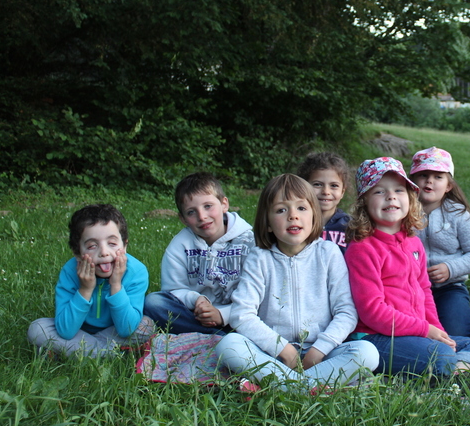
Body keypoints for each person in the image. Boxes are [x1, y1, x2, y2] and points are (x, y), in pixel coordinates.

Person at [215, 174, 378, 392]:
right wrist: (282, 348)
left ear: (314, 216)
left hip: (321, 353)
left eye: (301, 208)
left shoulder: (328, 253)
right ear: (269, 223)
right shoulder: (260, 257)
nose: (293, 216)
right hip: (271, 353)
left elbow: (346, 311)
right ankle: (308, 388)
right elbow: (242, 314)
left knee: (367, 353)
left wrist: (320, 349)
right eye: (281, 210)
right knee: (228, 347)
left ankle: (281, 386)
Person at [344, 157, 470, 377]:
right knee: (441, 356)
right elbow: (372, 312)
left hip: (415, 334)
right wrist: (425, 330)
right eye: (379, 191)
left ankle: (453, 376)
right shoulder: (363, 248)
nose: (391, 196)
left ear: (410, 198)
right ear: (364, 202)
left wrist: (438, 331)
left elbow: (425, 292)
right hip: (377, 338)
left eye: (399, 190)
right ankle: (454, 374)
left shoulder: (413, 243)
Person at [27, 204, 153, 357]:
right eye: (92, 246)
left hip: (114, 331)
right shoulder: (70, 272)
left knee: (146, 326)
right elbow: (66, 331)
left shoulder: (136, 272)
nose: (104, 252)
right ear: (78, 253)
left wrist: (116, 285)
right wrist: (85, 289)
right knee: (37, 329)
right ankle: (109, 353)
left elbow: (126, 329)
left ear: (124, 246)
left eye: (112, 244)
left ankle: (83, 351)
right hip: (79, 332)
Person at [143, 172, 255, 334]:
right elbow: (173, 290)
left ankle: (220, 338)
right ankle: (219, 338)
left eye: (208, 206)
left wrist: (222, 315)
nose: (202, 216)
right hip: (197, 316)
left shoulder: (249, 242)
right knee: (154, 302)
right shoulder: (179, 246)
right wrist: (196, 300)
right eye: (191, 212)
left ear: (224, 204)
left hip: (241, 314)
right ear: (182, 218)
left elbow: (258, 293)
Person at [409, 147, 470, 338]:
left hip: (449, 288)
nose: (430, 181)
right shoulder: (402, 212)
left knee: (459, 334)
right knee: (413, 332)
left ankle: (466, 357)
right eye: (424, 175)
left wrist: (450, 268)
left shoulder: (458, 214)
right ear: (412, 182)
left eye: (438, 177)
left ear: (449, 185)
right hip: (411, 288)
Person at [296, 152, 351, 253]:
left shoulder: (350, 227)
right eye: (317, 184)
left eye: (334, 185)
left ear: (342, 192)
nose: (326, 191)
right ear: (303, 187)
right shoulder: (296, 222)